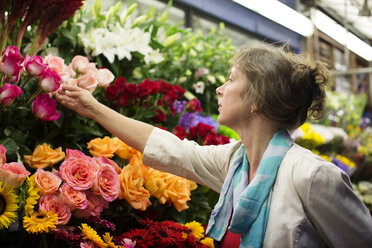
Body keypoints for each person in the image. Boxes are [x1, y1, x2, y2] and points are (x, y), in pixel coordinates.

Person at [56, 44, 372, 248]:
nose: (220, 90)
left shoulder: (314, 177)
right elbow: (169, 149)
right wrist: (93, 108)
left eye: (231, 80)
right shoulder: (235, 162)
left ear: (257, 100)